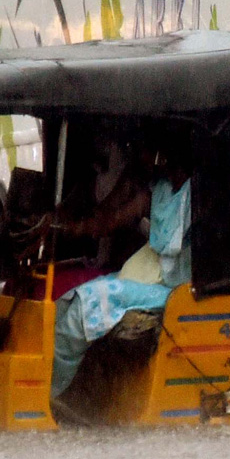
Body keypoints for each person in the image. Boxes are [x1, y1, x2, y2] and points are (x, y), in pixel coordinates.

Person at [51, 139, 192, 397]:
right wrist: (66, 226)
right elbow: (108, 220)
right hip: (149, 278)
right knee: (67, 300)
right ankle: (65, 388)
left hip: (177, 290)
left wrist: (76, 227)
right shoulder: (157, 191)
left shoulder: (198, 196)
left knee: (85, 306)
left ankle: (51, 391)